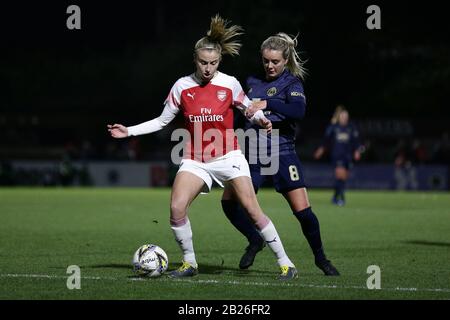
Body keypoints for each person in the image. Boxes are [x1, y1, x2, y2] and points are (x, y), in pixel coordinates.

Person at [108, 15, 298, 280]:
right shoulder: (182, 86)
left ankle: (286, 263)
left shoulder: (229, 83)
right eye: (203, 62)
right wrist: (128, 130)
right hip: (196, 160)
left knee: (253, 211)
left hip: (229, 156)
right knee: (176, 207)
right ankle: (189, 264)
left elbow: (247, 109)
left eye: (213, 63)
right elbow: (163, 121)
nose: (208, 68)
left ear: (219, 61)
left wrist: (261, 119)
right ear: (194, 60)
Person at [221, 33, 340, 276]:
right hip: (251, 154)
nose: (270, 65)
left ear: (285, 60)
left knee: (303, 212)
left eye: (275, 61)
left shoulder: (292, 83)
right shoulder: (252, 81)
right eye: (266, 60)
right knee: (229, 203)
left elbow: (297, 112)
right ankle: (255, 240)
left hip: (282, 153)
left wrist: (268, 103)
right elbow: (239, 113)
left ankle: (321, 259)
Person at [314, 105, 363, 206]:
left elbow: (356, 142)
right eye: (343, 116)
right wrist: (321, 150)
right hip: (337, 155)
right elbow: (326, 141)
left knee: (344, 177)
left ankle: (336, 196)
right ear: (339, 117)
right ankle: (341, 198)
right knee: (339, 175)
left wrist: (357, 151)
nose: (344, 118)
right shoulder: (334, 128)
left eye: (346, 117)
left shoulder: (351, 128)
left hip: (347, 156)